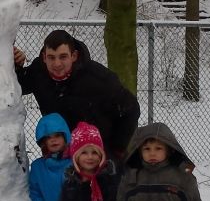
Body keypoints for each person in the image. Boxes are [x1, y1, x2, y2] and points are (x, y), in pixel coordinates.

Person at [14, 29, 141, 163]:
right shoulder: (39, 72)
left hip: (94, 157)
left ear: (74, 55)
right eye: (51, 57)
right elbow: (15, 87)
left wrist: (117, 149)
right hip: (60, 154)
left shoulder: (99, 78)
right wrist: (17, 65)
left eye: (63, 56)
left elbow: (131, 109)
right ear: (44, 57)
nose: (57, 64)